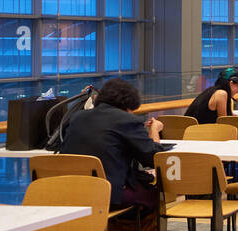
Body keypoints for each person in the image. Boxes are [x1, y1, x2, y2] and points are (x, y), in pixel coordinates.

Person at [60, 77, 163, 209]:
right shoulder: (127, 120)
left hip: (72, 192)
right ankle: (126, 229)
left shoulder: (78, 117)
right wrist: (154, 130)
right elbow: (154, 158)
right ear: (128, 105)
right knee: (155, 194)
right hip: (107, 195)